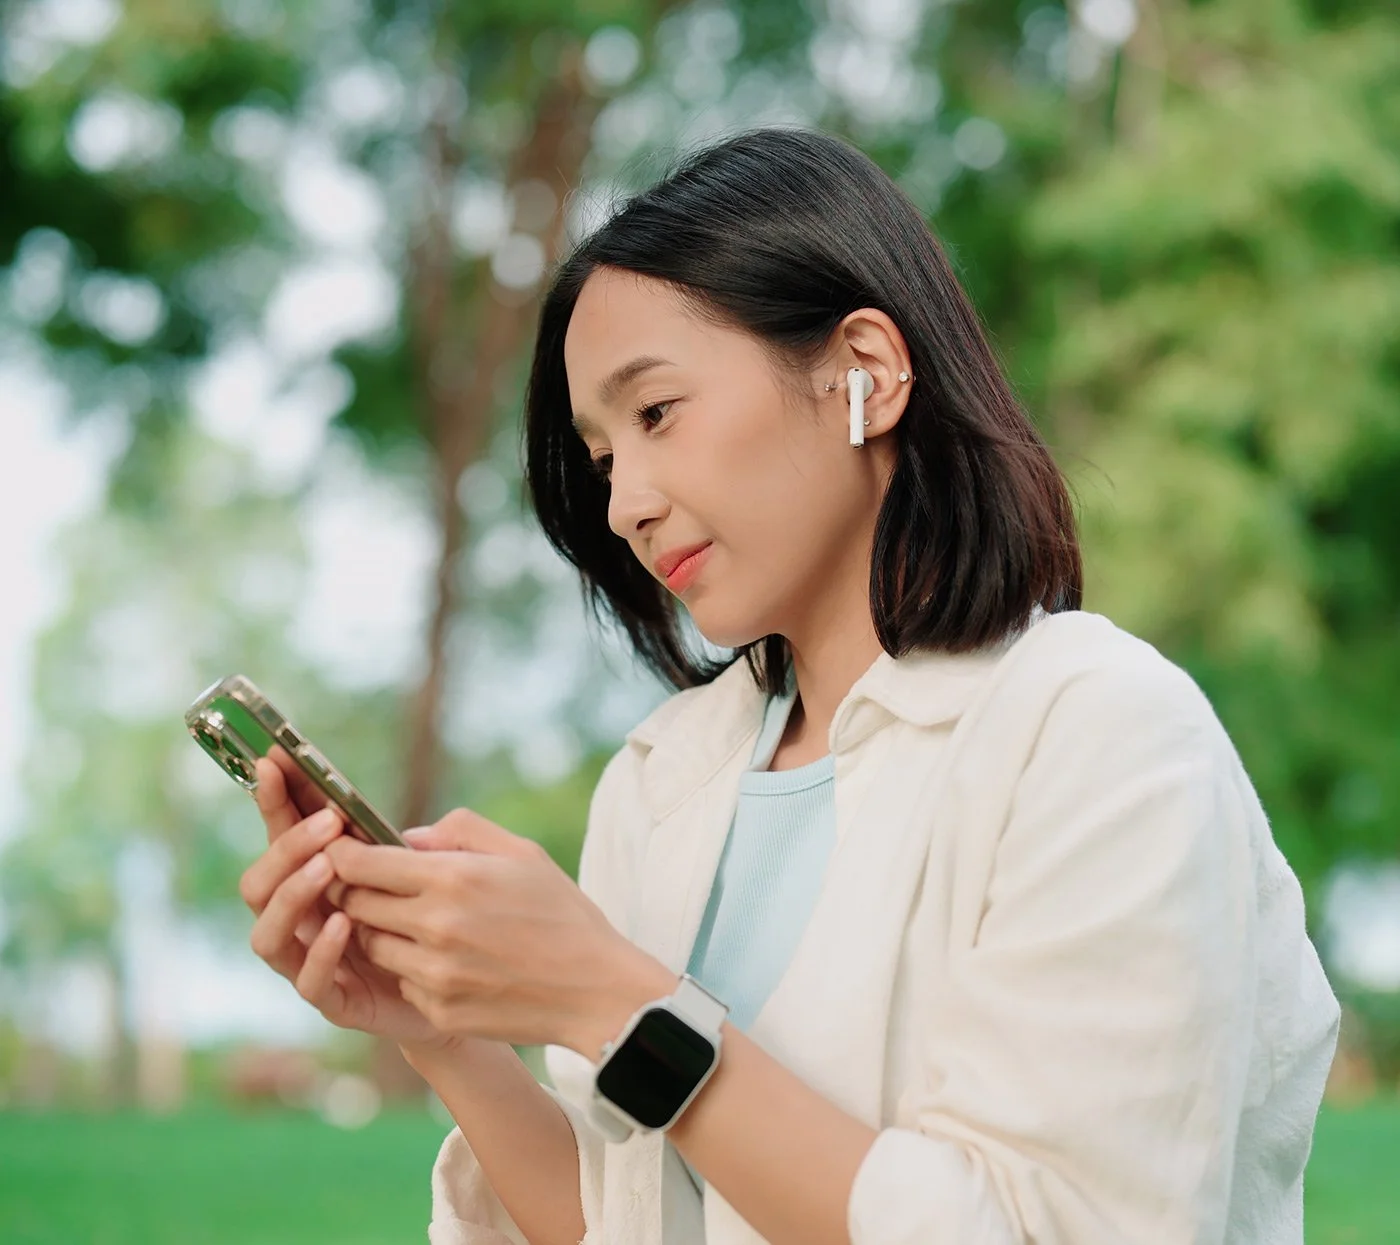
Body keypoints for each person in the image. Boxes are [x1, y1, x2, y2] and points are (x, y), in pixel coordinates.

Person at [237, 128, 1340, 1245]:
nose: (624, 506)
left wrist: (612, 999)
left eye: (656, 413)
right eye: (606, 458)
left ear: (862, 370)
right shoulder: (662, 781)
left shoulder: (1095, 733)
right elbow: (632, 1220)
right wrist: (440, 1027)